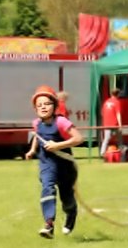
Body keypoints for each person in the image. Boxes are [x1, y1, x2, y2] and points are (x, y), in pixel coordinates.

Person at [25, 86, 84, 239]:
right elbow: (38, 137)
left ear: (55, 105)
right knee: (47, 188)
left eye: (47, 104)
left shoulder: (61, 122)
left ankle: (71, 214)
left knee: (66, 198)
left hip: (65, 165)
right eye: (39, 105)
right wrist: (32, 150)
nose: (43, 107)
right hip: (47, 164)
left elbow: (78, 139)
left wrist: (58, 145)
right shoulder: (36, 123)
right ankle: (48, 223)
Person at [100, 88, 122, 158]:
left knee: (106, 138)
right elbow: (118, 114)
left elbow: (102, 113)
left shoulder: (106, 102)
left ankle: (102, 152)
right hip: (114, 123)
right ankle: (121, 151)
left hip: (106, 123)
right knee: (119, 138)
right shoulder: (116, 102)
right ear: (118, 94)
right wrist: (120, 125)